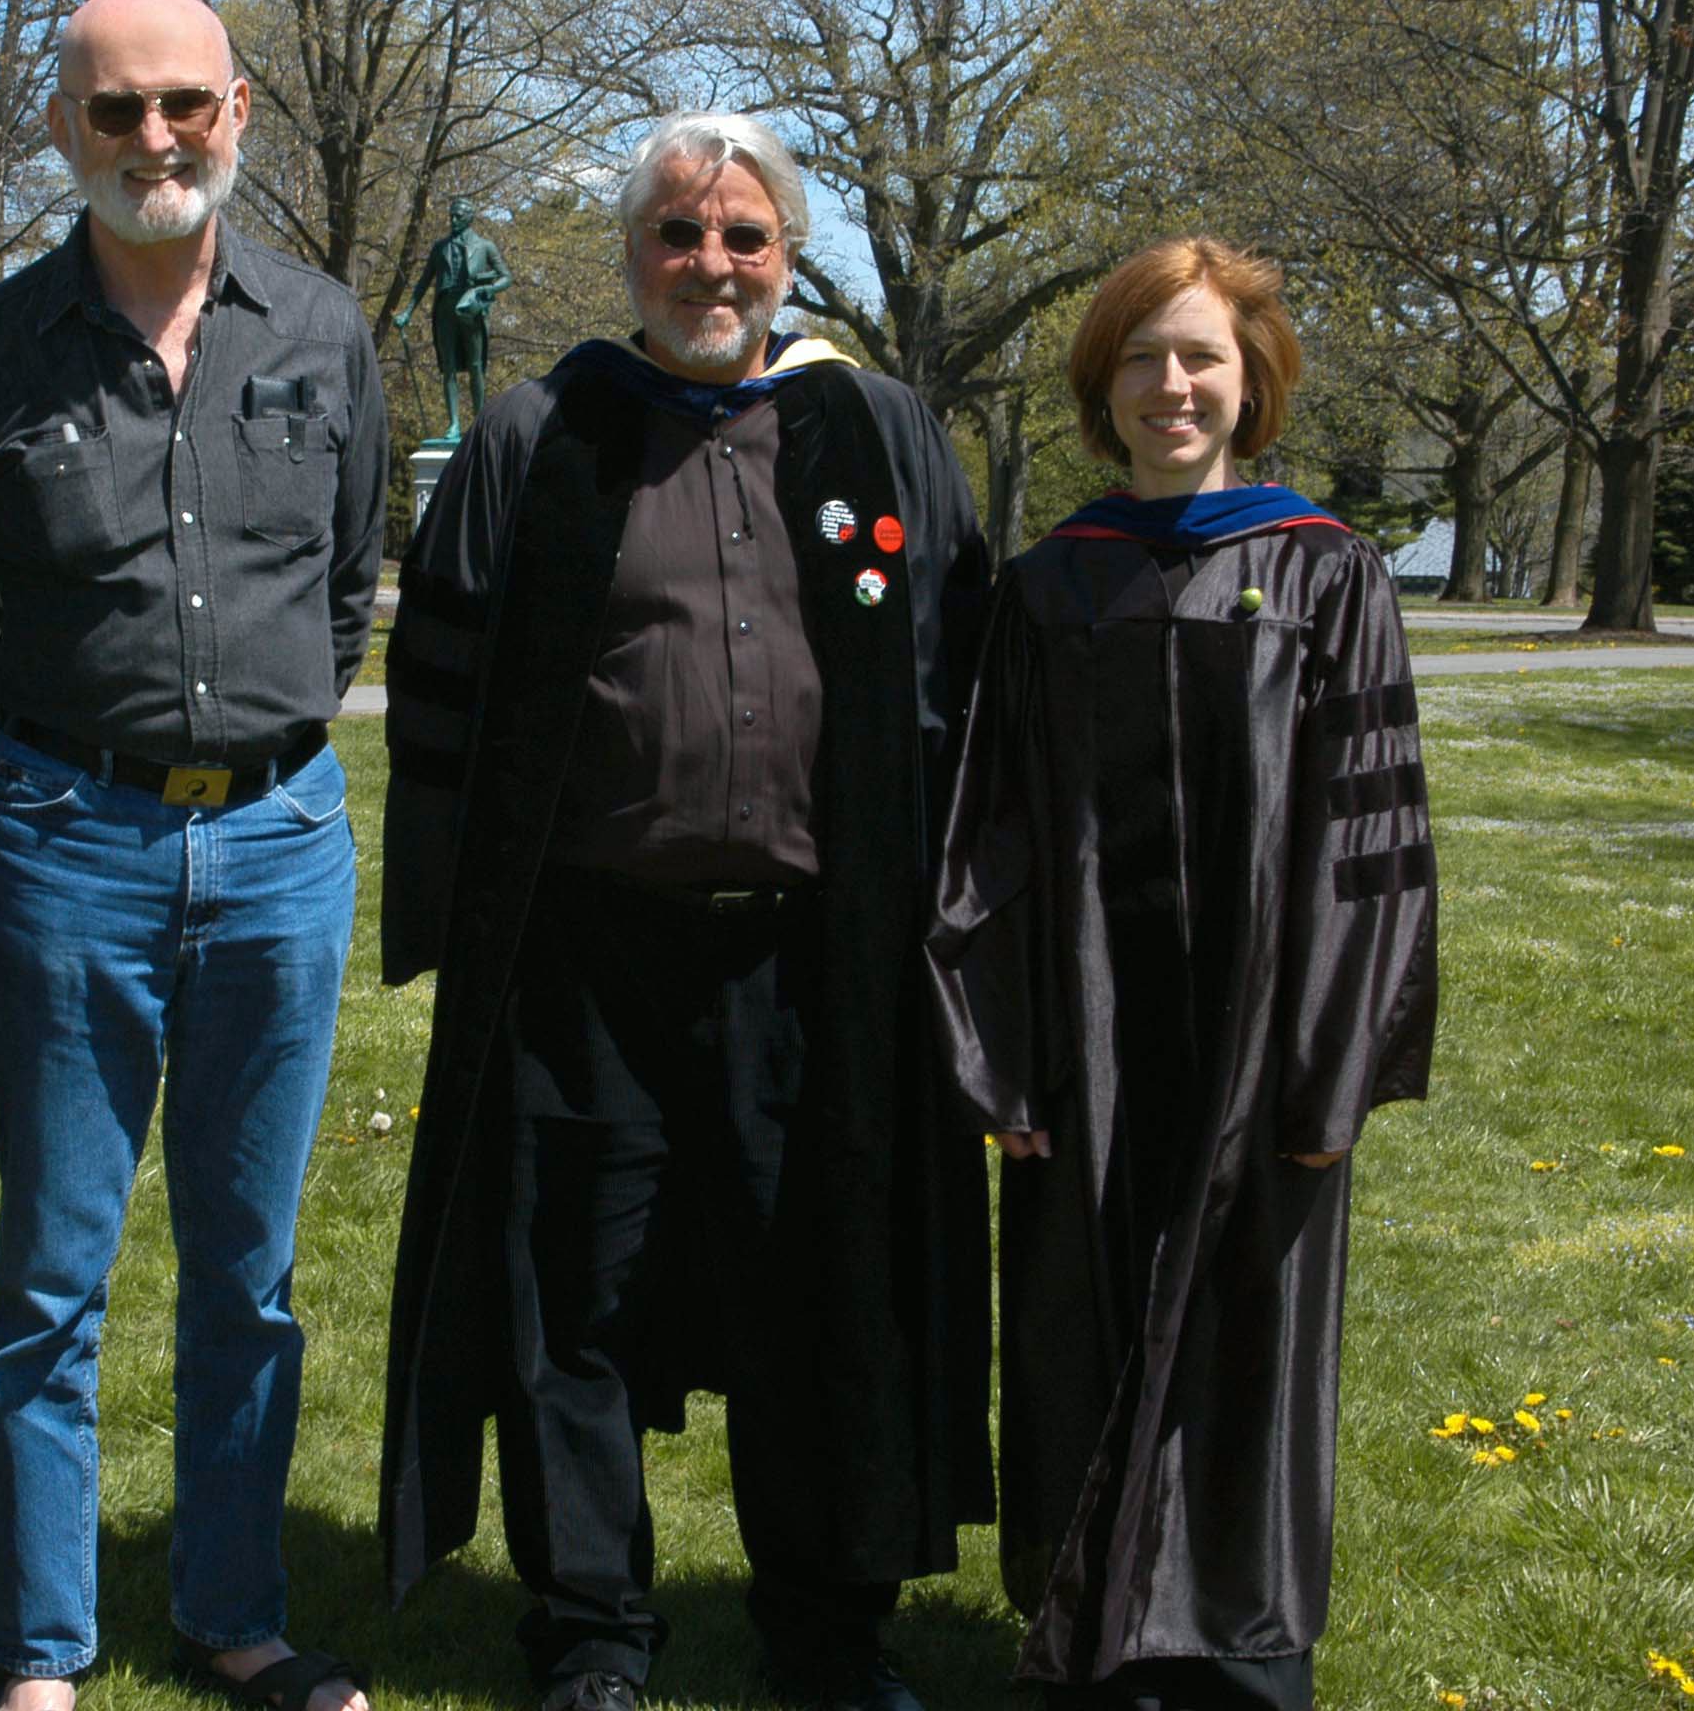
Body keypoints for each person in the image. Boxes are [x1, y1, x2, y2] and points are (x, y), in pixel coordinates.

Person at [377, 112, 998, 1711]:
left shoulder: (877, 429)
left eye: (745, 237)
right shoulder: (543, 433)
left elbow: (957, 675)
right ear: (630, 255)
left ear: (788, 256)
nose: (709, 264)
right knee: (571, 1299)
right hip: (590, 958)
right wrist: (460, 927)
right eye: (677, 233)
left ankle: (828, 1632)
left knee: (822, 1283)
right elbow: (443, 682)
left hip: (819, 955)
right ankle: (589, 1633)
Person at [0, 0, 388, 1711]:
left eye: (183, 103)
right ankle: (42, 1651)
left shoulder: (321, 331)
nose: (155, 138)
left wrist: (240, 746)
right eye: (116, 112)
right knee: (52, 1274)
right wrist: (56, 781)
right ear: (62, 128)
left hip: (278, 847)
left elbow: (342, 587)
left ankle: (234, 1615)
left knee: (245, 1277)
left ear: (239, 110)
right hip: (65, 850)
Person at [926, 238, 1440, 1709]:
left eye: (1202, 355)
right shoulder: (1048, 592)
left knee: (1252, 1330)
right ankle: (1089, 1631)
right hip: (1085, 1027)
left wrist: (1334, 1066)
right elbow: (992, 839)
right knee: (1078, 1311)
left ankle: (1245, 1647)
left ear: (1252, 380)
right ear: (1104, 384)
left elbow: (1373, 838)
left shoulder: (1329, 574)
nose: (1174, 384)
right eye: (1145, 356)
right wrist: (1001, 1048)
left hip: (1264, 1034)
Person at [393, 195, 512, 439]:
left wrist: (487, 289)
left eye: (459, 215)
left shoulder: (485, 246)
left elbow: (506, 277)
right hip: (445, 309)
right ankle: (454, 424)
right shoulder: (440, 247)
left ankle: (479, 422)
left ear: (470, 217)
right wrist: (407, 312)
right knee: (448, 367)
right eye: (451, 215)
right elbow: (424, 282)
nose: (453, 219)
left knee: (476, 366)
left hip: (471, 309)